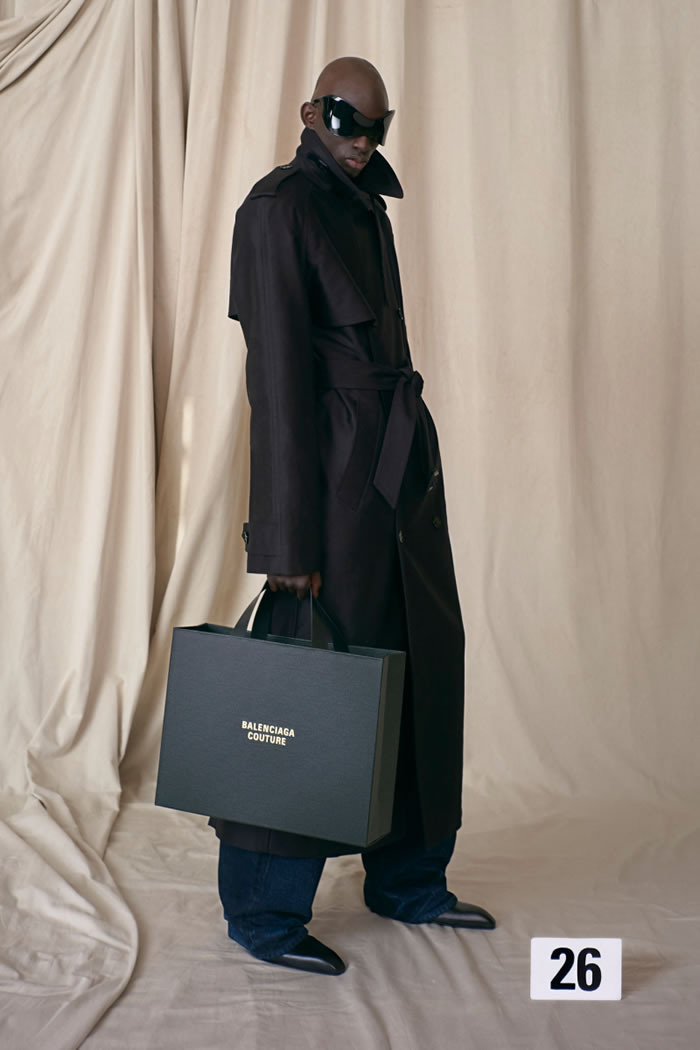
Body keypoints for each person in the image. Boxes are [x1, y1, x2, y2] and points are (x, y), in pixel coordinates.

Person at [211, 56, 495, 975]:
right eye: (345, 119)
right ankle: (264, 913)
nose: (363, 140)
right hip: (328, 490)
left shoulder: (367, 206)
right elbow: (276, 386)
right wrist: (285, 539)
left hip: (399, 477)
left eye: (377, 125)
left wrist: (412, 470)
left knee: (415, 665)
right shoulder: (277, 210)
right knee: (307, 682)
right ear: (310, 112)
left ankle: (408, 879)